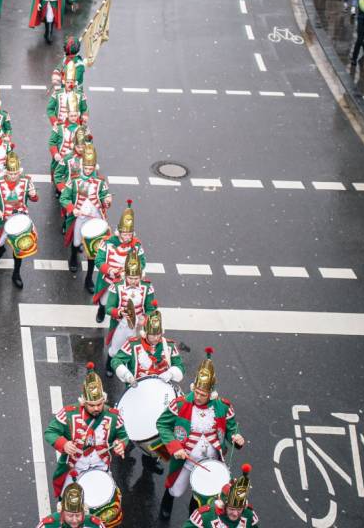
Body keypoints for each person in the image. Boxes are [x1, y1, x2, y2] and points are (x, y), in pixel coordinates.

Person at [157, 348, 246, 519]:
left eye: (202, 394)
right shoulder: (181, 404)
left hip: (210, 461)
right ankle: (167, 502)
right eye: (196, 392)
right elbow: (162, 424)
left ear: (211, 393)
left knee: (203, 494)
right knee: (175, 489)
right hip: (185, 459)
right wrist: (175, 447)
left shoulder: (223, 406)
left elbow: (231, 429)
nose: (197, 397)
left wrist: (236, 437)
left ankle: (194, 514)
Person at [44, 362, 128, 497]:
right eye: (91, 405)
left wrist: (121, 445)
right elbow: (50, 432)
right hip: (75, 468)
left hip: (101, 467)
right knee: (70, 506)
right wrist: (64, 444)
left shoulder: (114, 415)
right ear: (83, 402)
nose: (96, 408)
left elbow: (123, 436)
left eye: (100, 403)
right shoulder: (68, 414)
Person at [59, 142, 110, 286]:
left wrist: (107, 200)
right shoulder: (74, 180)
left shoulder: (100, 181)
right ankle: (74, 256)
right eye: (86, 168)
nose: (88, 170)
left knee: (93, 248)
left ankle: (88, 278)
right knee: (76, 241)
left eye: (90, 168)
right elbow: (64, 197)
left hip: (95, 218)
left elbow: (105, 197)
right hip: (80, 216)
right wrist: (72, 209)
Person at [0, 152, 39, 289]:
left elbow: (35, 198)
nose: (14, 176)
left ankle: (16, 273)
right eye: (11, 173)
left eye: (16, 174)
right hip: (4, 218)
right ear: (6, 172)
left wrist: (33, 195)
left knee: (19, 247)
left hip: (20, 219)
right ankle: (0, 251)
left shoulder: (26, 181)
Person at [92, 199, 146, 317]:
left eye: (130, 234)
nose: (127, 237)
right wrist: (110, 270)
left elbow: (142, 262)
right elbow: (99, 260)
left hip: (127, 280)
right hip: (109, 278)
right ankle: (101, 309)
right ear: (119, 233)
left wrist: (131, 272)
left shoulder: (136, 245)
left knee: (126, 304)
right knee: (104, 301)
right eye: (125, 234)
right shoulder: (107, 242)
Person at [184, 464, 259, 527]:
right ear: (222, 505)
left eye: (239, 509)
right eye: (232, 509)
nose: (235, 514)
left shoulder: (249, 515)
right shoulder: (203, 517)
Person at [36, 480, 106, 528]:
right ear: (62, 512)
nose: (74, 520)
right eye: (70, 515)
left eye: (78, 515)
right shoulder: (48, 526)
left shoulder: (95, 525)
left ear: (84, 512)